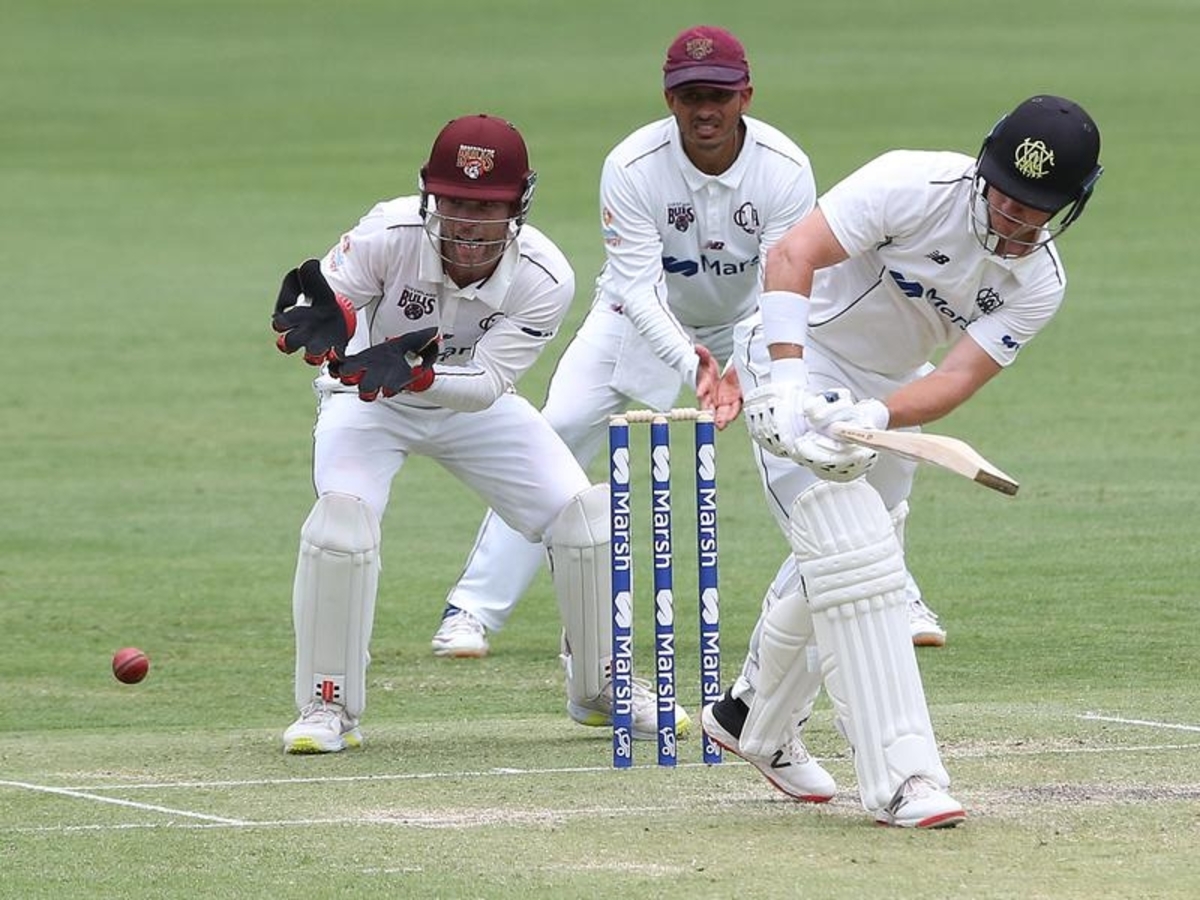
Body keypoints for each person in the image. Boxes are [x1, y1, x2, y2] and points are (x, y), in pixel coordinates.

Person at [700, 95, 1103, 827]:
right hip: (795, 352)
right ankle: (903, 778)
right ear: (983, 170)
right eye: (1003, 197)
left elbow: (955, 377)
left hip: (884, 394)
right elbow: (792, 255)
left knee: (852, 556)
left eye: (1034, 210)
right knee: (856, 561)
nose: (1012, 218)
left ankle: (747, 715)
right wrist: (784, 384)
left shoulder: (1039, 282)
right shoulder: (912, 184)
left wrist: (881, 414)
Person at [271, 113, 684, 753]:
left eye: (487, 208)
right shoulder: (386, 233)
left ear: (518, 207)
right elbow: (329, 302)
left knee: (585, 518)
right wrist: (330, 320)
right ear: (428, 196)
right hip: (366, 399)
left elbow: (487, 384)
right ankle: (328, 704)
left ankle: (602, 686)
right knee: (340, 525)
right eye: (456, 203)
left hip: (468, 403)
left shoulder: (544, 276)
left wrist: (418, 376)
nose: (468, 224)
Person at [431, 24, 817, 669]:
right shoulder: (632, 165)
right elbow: (638, 289)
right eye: (690, 95)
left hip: (748, 321)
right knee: (555, 432)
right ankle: (472, 609)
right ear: (669, 98)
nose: (704, 110)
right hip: (633, 319)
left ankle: (874, 590)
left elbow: (781, 283)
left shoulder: (785, 168)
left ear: (745, 95)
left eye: (718, 95)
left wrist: (742, 366)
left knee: (797, 438)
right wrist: (694, 364)